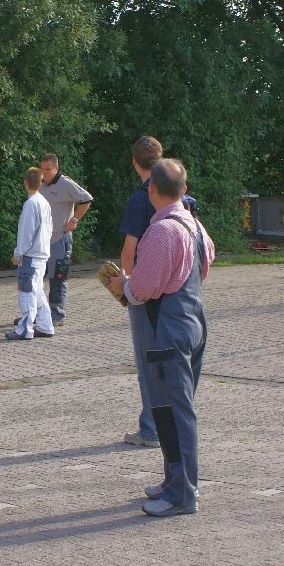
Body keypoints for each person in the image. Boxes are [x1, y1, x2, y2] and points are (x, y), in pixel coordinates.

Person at [108, 158, 216, 517]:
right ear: (184, 190)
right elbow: (207, 262)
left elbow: (142, 289)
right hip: (193, 321)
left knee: (174, 413)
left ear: (152, 189)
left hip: (168, 328)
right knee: (173, 410)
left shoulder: (161, 232)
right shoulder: (194, 224)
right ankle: (174, 482)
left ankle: (182, 495)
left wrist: (122, 286)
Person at [118, 136, 164, 449]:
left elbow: (129, 251)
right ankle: (171, 423)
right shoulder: (179, 195)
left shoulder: (140, 198)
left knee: (147, 363)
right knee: (169, 361)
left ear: (134, 162)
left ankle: (150, 428)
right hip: (174, 289)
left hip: (145, 290)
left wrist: (128, 286)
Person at [37, 153, 93, 326]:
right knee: (36, 278)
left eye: (48, 169)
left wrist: (74, 220)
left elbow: (86, 199)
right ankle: (36, 312)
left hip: (59, 238)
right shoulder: (38, 183)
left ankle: (57, 314)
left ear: (56, 168)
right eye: (42, 168)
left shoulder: (66, 183)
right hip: (41, 240)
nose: (44, 173)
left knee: (58, 277)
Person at [6, 167, 54, 341]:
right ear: (41, 183)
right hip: (42, 254)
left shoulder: (30, 204)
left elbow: (26, 233)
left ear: (25, 182)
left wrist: (18, 253)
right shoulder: (44, 202)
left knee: (26, 293)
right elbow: (50, 229)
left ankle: (25, 330)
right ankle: (46, 326)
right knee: (37, 292)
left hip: (30, 256)